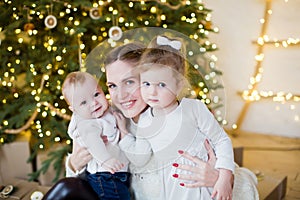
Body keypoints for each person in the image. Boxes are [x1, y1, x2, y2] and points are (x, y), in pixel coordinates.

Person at [44, 41, 258, 200]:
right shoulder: (108, 120)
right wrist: (73, 163)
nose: (120, 96)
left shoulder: (182, 118)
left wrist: (221, 178)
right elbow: (84, 179)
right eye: (112, 86)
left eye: (129, 82)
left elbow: (246, 181)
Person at [118, 35, 234, 200]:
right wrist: (123, 134)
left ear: (179, 85)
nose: (152, 92)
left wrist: (224, 177)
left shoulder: (193, 109)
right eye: (146, 83)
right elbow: (140, 157)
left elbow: (221, 140)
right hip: (171, 187)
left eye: (162, 85)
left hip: (201, 185)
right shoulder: (146, 120)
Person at [61, 71, 131, 200]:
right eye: (83, 103)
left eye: (96, 94)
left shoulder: (107, 111)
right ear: (74, 110)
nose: (94, 103)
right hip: (105, 176)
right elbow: (94, 143)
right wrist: (106, 160)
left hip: (116, 172)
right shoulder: (87, 124)